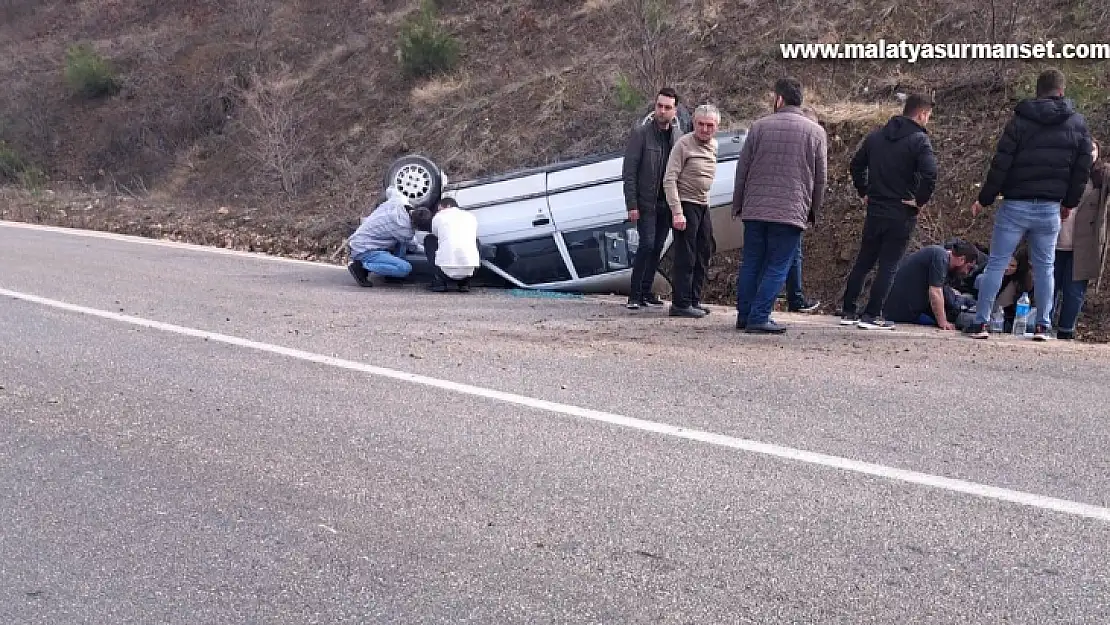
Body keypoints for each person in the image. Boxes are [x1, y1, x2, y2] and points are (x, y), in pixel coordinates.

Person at [968, 68, 1093, 340]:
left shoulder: (1019, 121)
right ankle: (1043, 325)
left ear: (1038, 92)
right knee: (1045, 266)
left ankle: (980, 323)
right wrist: (1069, 203)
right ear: (1061, 91)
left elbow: (1001, 164)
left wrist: (984, 199)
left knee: (997, 264)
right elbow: (1081, 169)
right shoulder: (1076, 124)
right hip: (1050, 207)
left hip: (1015, 205)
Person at [732, 77, 827, 334]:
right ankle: (759, 317)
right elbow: (820, 180)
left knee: (752, 262)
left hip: (755, 210)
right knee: (777, 265)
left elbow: (743, 169)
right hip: (790, 212)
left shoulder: (759, 127)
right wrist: (812, 212)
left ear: (779, 99)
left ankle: (745, 315)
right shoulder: (816, 133)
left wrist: (738, 203)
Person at [840, 93, 938, 330]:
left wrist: (864, 191)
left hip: (875, 208)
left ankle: (848, 310)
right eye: (928, 116)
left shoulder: (876, 137)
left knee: (864, 260)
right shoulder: (919, 141)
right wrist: (919, 201)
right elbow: (930, 174)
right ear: (922, 114)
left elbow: (856, 166)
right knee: (889, 265)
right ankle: (872, 314)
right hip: (901, 210)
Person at [622, 87, 688, 310]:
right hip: (646, 202)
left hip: (667, 203)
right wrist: (632, 204)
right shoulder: (641, 133)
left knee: (658, 246)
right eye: (659, 106)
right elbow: (629, 171)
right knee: (646, 244)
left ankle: (646, 291)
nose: (662, 111)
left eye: (667, 107)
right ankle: (634, 294)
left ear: (674, 111)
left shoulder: (678, 137)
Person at [662, 103, 720, 318]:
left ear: (716, 127)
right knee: (685, 255)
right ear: (693, 123)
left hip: (703, 205)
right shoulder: (683, 144)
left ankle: (694, 299)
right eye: (700, 124)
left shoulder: (714, 145)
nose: (705, 129)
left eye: (710, 125)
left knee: (704, 250)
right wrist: (677, 212)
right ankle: (680, 303)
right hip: (685, 204)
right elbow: (669, 179)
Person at [1053, 138, 1110, 339]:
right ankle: (1043, 325)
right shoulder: (1063, 172)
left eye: (1093, 149)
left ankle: (1066, 331)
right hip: (1057, 239)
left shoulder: (1102, 177)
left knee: (1074, 291)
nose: (1089, 152)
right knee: (1049, 287)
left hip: (1084, 244)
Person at [882, 241, 980, 330]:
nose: (966, 272)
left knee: (956, 301)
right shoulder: (940, 257)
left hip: (902, 309)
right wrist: (943, 322)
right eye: (968, 268)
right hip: (903, 313)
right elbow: (935, 292)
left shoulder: (939, 255)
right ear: (962, 259)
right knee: (955, 314)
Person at [347, 187, 433, 287]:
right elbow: (414, 247)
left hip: (358, 240)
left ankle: (392, 276)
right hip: (363, 250)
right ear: (416, 225)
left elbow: (390, 189)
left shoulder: (399, 200)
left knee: (401, 243)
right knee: (405, 268)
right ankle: (361, 267)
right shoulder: (404, 230)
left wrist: (379, 206)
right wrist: (432, 250)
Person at [783, 104, 823, 314]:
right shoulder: (810, 144)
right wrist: (812, 209)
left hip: (776, 206)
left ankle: (793, 297)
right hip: (794, 207)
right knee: (791, 255)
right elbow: (818, 180)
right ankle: (795, 299)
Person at [424, 197, 480, 293]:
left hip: (444, 271)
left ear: (448, 206)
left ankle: (439, 282)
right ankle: (464, 283)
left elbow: (436, 235)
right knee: (476, 241)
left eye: (439, 208)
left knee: (429, 239)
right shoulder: (471, 216)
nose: (439, 211)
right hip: (470, 271)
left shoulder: (439, 216)